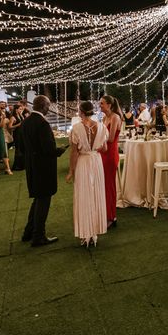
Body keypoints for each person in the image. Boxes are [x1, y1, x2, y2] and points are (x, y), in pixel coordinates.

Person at [21, 95, 65, 247]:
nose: (49, 108)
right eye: (48, 105)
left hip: (32, 165)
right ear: (43, 106)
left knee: (38, 199)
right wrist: (58, 151)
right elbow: (48, 149)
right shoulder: (42, 123)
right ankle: (38, 236)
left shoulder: (26, 121)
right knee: (44, 200)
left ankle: (28, 232)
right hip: (43, 167)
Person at [66, 101, 108, 246]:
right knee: (96, 195)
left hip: (83, 162)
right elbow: (105, 148)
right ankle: (94, 233)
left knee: (84, 196)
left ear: (81, 112)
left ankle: (86, 234)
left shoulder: (76, 129)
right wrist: (94, 148)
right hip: (96, 162)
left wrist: (71, 171)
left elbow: (74, 153)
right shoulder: (102, 127)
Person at [99, 95, 122, 229]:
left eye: (102, 103)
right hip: (103, 153)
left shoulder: (115, 117)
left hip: (110, 154)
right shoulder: (104, 118)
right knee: (104, 185)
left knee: (109, 186)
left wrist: (97, 140)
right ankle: (105, 213)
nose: (100, 105)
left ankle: (112, 217)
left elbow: (111, 138)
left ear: (109, 105)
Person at [9, 104, 26, 171]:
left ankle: (23, 164)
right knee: (18, 149)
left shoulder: (21, 115)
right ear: (16, 110)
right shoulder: (13, 117)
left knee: (23, 148)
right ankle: (17, 166)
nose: (21, 110)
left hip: (22, 133)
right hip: (17, 134)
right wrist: (18, 125)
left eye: (21, 109)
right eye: (20, 109)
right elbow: (10, 127)